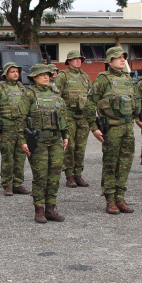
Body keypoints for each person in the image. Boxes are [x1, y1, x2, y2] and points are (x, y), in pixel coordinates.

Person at [89, 46, 142, 214]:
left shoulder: (128, 78)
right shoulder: (103, 79)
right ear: (109, 61)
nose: (122, 59)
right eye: (118, 57)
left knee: (125, 163)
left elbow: (134, 102)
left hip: (127, 127)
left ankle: (120, 197)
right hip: (112, 128)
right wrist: (94, 127)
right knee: (111, 164)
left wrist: (137, 119)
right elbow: (89, 104)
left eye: (123, 57)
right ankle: (110, 200)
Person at [19, 64, 70, 223]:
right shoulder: (29, 95)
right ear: (34, 77)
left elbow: (63, 115)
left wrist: (66, 134)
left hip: (55, 139)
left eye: (48, 74)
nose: (46, 77)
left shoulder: (55, 93)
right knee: (40, 176)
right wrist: (22, 141)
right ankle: (39, 209)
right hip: (38, 140)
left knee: (54, 175)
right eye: (42, 75)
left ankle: (51, 208)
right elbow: (20, 119)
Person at [0, 62, 30, 196]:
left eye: (17, 71)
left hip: (21, 128)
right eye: (12, 71)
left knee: (20, 157)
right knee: (7, 158)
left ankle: (17, 183)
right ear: (6, 74)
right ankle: (7, 184)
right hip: (7, 128)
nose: (16, 74)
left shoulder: (22, 88)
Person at [54, 50, 92, 188]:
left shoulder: (85, 76)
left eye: (79, 59)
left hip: (83, 117)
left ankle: (78, 174)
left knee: (81, 147)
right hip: (69, 116)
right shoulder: (62, 76)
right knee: (69, 146)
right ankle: (69, 175)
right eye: (75, 59)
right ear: (69, 61)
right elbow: (56, 97)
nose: (78, 61)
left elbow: (90, 96)